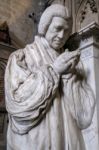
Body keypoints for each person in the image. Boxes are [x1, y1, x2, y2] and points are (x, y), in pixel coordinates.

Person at [5, 4, 95, 150]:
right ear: (45, 27)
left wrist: (69, 79)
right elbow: (17, 103)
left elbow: (84, 118)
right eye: (57, 28)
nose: (61, 36)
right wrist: (54, 71)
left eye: (66, 31)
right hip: (36, 143)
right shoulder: (22, 57)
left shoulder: (72, 64)